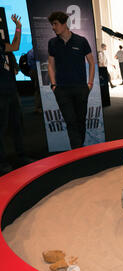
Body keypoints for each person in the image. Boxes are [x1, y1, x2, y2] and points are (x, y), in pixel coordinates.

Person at [47, 11, 95, 150]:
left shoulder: (81, 41)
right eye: (52, 24)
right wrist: (54, 85)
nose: (53, 27)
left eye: (55, 24)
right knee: (70, 121)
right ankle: (77, 151)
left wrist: (90, 83)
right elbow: (50, 64)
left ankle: (79, 149)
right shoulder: (52, 43)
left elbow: (91, 62)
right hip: (62, 90)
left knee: (80, 120)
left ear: (64, 24)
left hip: (81, 88)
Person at [0, 14, 34, 174]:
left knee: (16, 125)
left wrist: (18, 26)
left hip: (11, 90)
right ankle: (2, 163)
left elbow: (14, 46)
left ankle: (21, 156)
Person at [26, 48, 43, 113]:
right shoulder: (33, 52)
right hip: (35, 71)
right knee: (38, 89)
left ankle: (39, 107)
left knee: (38, 89)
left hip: (34, 71)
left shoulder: (31, 51)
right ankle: (38, 107)